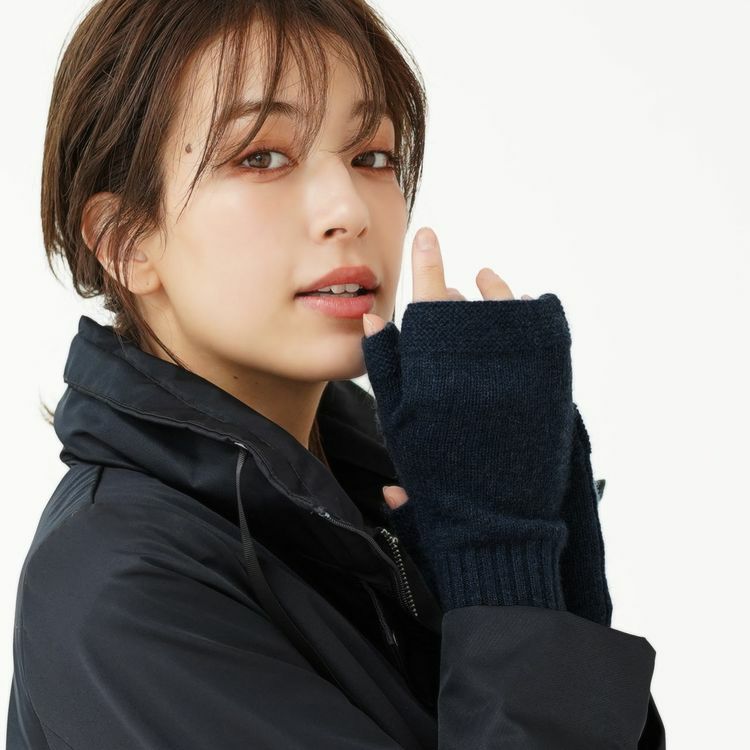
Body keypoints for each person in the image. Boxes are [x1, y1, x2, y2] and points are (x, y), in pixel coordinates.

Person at [6, 0, 665, 747]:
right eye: (261, 156)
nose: (348, 209)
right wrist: (498, 553)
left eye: (371, 156)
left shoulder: (380, 489)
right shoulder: (118, 586)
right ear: (126, 240)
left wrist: (542, 551)